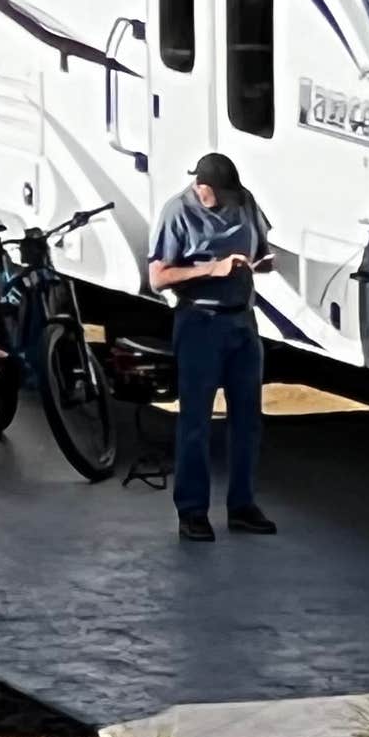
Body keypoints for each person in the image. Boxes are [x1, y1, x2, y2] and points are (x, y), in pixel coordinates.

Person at [150, 153, 276, 543]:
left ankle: (242, 505)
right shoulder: (177, 212)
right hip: (200, 322)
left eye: (229, 194)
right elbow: (158, 277)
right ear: (201, 186)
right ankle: (192, 511)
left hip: (242, 320)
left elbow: (263, 251)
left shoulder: (245, 201)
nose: (225, 200)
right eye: (218, 194)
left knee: (248, 418)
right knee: (196, 421)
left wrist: (259, 264)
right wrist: (211, 269)